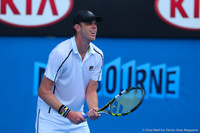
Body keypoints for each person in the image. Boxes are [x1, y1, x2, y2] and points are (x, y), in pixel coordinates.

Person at [35, 10, 104, 133]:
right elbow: (43, 91)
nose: (94, 27)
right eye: (89, 23)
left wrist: (94, 109)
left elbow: (91, 90)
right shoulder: (60, 53)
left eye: (95, 24)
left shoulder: (98, 55)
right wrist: (67, 113)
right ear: (77, 27)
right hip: (51, 119)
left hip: (78, 118)